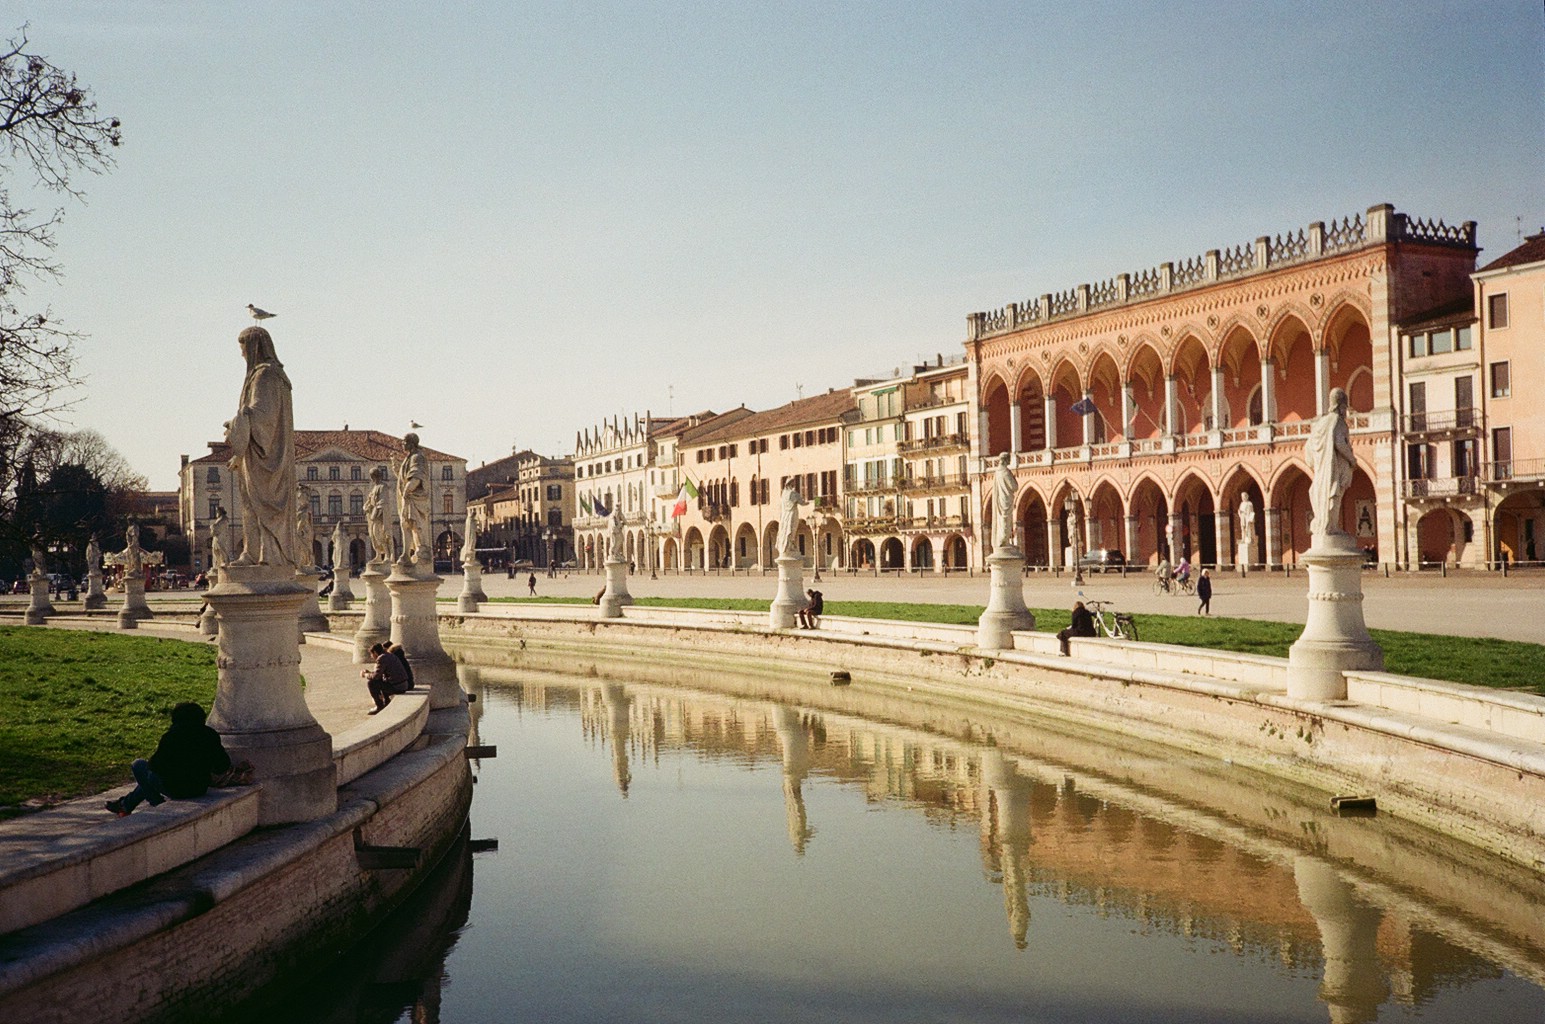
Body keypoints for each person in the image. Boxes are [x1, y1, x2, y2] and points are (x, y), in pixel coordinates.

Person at [225, 326, 296, 568]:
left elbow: (263, 415)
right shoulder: (270, 376)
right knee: (252, 503)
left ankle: (265, 554)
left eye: (243, 347)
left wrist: (237, 422)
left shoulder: (265, 376)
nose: (242, 354)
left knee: (260, 504)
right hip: (258, 453)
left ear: (255, 347)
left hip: (266, 456)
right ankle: (253, 552)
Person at [106, 702, 231, 816]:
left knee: (139, 766)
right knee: (148, 778)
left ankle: (156, 803)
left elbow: (155, 766)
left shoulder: (171, 737)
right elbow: (223, 765)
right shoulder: (210, 735)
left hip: (176, 789)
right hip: (199, 787)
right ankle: (126, 804)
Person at [1306, 387, 1355, 540]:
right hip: (1335, 466)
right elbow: (1340, 443)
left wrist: (1316, 463)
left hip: (1322, 469)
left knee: (1324, 495)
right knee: (1334, 495)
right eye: (1345, 408)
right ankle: (1331, 527)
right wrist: (1352, 459)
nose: (1345, 411)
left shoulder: (1320, 423)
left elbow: (1308, 447)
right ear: (1341, 407)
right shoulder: (1338, 422)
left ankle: (1326, 525)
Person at [396, 433, 431, 569]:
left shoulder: (418, 457)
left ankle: (422, 551)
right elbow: (406, 477)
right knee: (406, 525)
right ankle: (406, 553)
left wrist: (407, 490)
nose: (402, 444)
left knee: (416, 525)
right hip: (409, 498)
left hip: (415, 499)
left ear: (411, 443)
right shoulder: (409, 458)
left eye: (404, 441)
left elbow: (416, 477)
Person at [362, 642, 411, 714]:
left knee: (371, 683)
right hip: (403, 684)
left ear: (375, 652)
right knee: (381, 681)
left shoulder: (382, 658)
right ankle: (386, 702)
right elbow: (379, 674)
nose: (371, 656)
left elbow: (376, 677)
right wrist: (370, 673)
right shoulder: (389, 655)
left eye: (371, 654)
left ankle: (379, 706)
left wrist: (365, 674)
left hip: (397, 687)